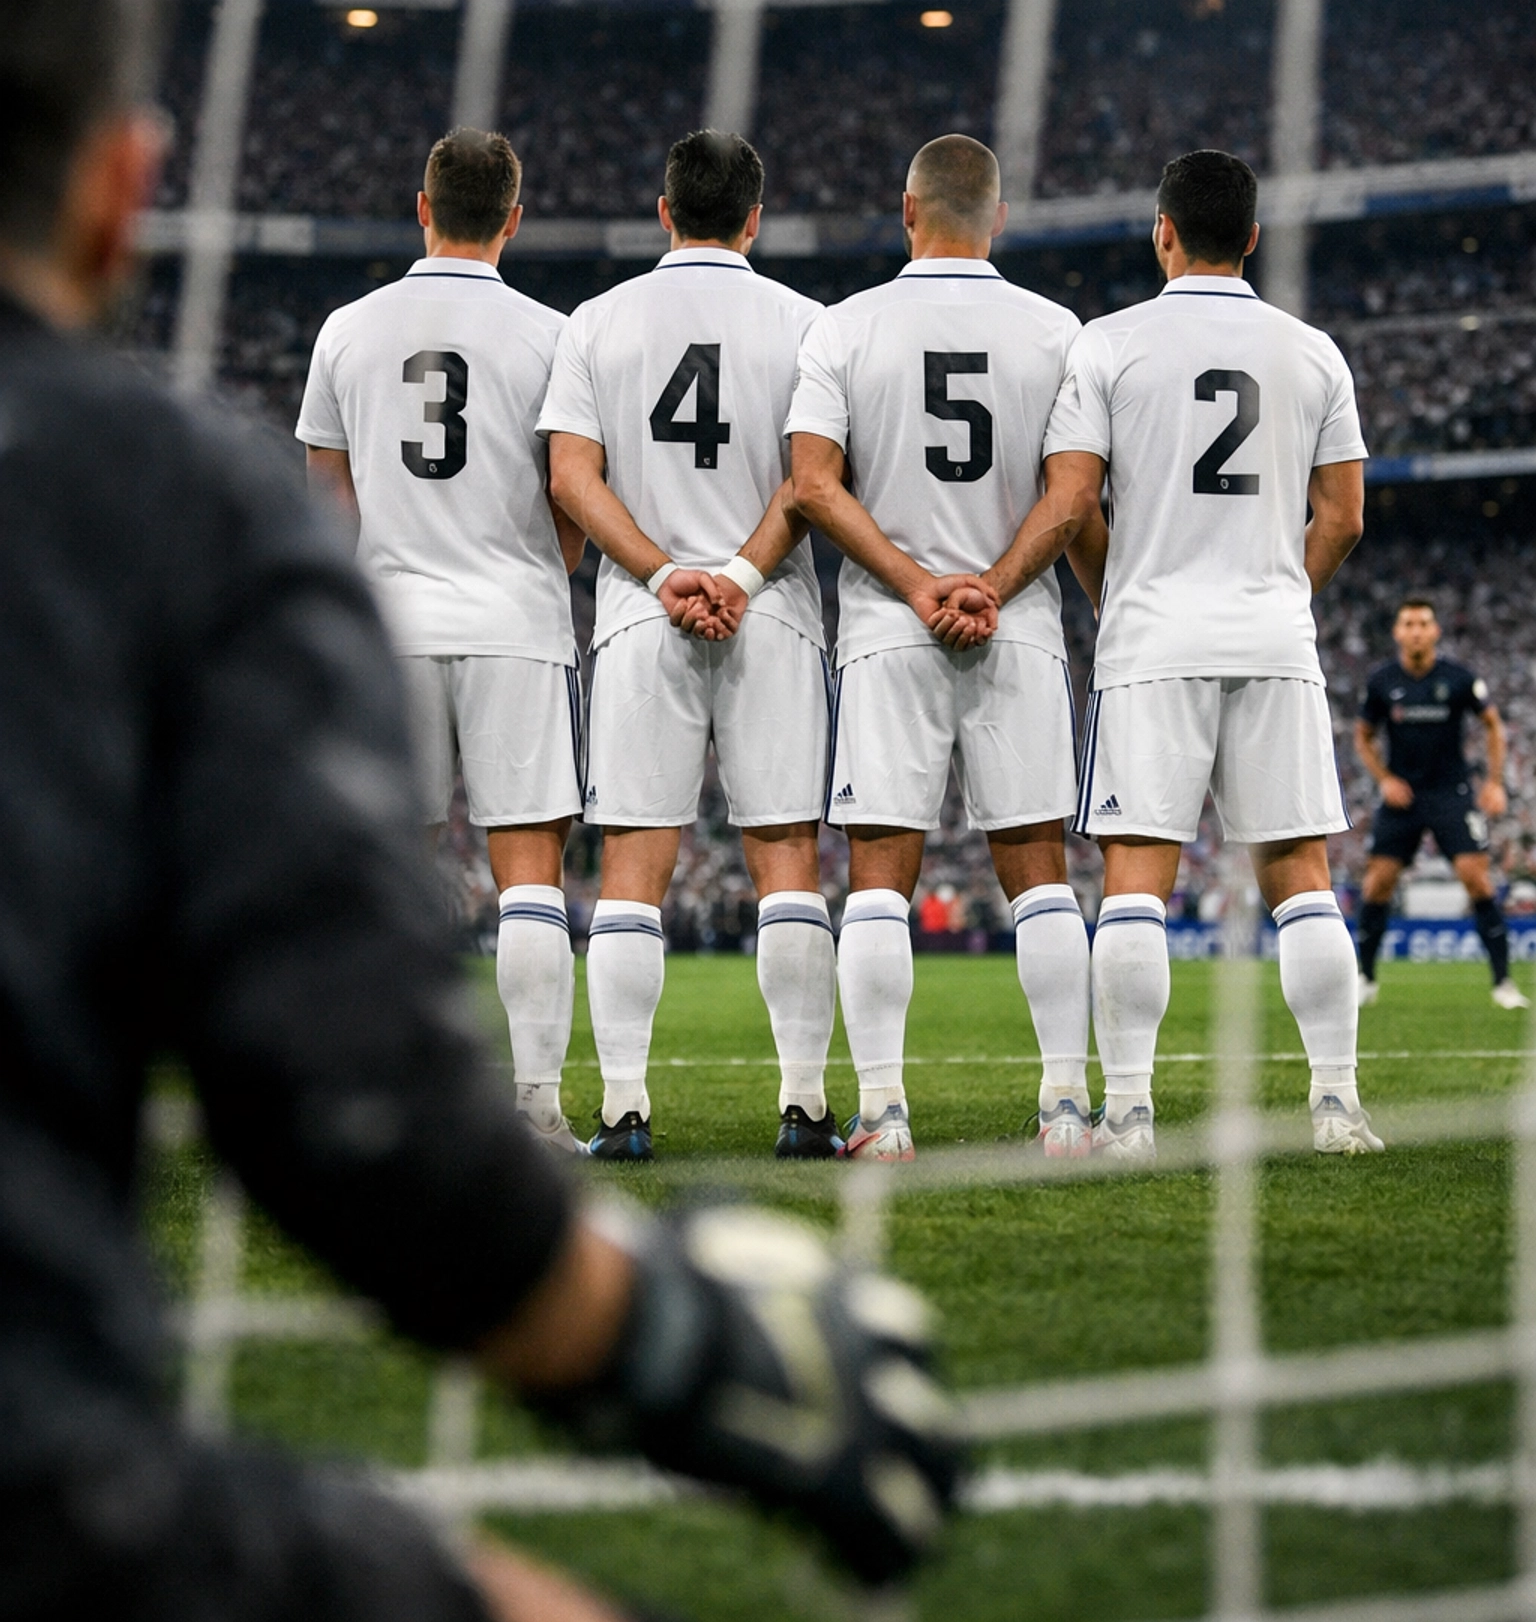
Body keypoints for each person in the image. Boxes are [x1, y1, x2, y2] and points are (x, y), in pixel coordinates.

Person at [0, 0, 956, 1619]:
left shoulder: (370, 334)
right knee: (608, 864)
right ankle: (801, 1097)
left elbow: (352, 490)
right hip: (548, 609)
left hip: (427, 597)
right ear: (117, 185)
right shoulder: (550, 340)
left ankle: (555, 1094)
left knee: (567, 882)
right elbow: (328, 1080)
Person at [1016, 149, 1381, 1159]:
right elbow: (1343, 516)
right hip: (1272, 637)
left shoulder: (1109, 345)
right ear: (1253, 238)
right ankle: (1338, 1107)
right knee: (1300, 873)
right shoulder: (1312, 351)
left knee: (1138, 877)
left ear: (1162, 231)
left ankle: (1128, 1112)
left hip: (1154, 637)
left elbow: (1075, 500)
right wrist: (1276, 590)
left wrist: (1115, 593)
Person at [787, 135, 1095, 1162]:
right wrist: (994, 586)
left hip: (886, 623)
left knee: (878, 874)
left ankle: (881, 1115)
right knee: (1039, 870)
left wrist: (917, 585)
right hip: (1020, 624)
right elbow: (1074, 493)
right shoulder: (1059, 333)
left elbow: (814, 484)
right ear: (996, 218)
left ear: (905, 211)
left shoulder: (842, 327)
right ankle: (1063, 1109)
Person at [540, 132, 837, 1161]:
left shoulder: (596, 323)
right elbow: (813, 482)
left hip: (639, 616)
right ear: (755, 217)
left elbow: (572, 479)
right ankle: (804, 1109)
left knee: (632, 862)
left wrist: (669, 575)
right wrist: (740, 575)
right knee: (787, 855)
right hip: (775, 614)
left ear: (663, 211)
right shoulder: (811, 326)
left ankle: (624, 1114)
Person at [297, 128, 588, 1153]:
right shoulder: (557, 335)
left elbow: (326, 502)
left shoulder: (347, 329)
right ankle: (540, 1110)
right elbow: (572, 492)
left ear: (421, 207)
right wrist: (533, 570)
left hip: (391, 626)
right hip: (515, 622)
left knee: (391, 866)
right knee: (529, 874)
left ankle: (388, 1098)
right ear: (514, 217)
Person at [1354, 597, 1524, 1009]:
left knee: (1477, 879)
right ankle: (1366, 979)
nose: (1415, 630)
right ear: (1397, 632)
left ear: (1435, 632)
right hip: (1403, 796)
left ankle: (1503, 983)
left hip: (1452, 793)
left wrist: (1495, 783)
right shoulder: (1382, 682)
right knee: (1377, 883)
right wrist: (1384, 779)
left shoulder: (1458, 678)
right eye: (1408, 623)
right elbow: (1363, 736)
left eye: (1423, 623)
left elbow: (1492, 725)